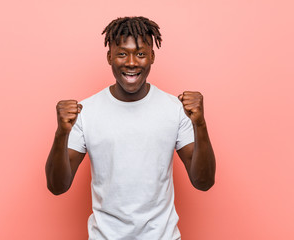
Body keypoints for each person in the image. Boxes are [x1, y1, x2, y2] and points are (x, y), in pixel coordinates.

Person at [45, 16, 216, 239]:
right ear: (109, 57)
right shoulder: (85, 112)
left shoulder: (175, 109)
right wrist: (61, 133)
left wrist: (200, 125)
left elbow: (203, 182)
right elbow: (57, 186)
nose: (132, 62)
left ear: (152, 56)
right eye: (122, 53)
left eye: (141, 53)